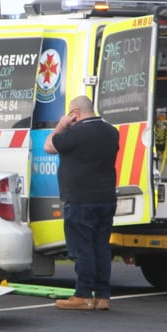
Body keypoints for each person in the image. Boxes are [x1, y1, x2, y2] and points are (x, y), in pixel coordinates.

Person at [44, 95, 119, 311]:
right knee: (101, 248)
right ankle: (103, 296)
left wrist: (60, 125)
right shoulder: (111, 132)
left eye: (70, 113)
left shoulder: (74, 133)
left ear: (75, 113)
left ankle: (83, 295)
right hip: (106, 198)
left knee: (82, 248)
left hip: (80, 199)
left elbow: (49, 146)